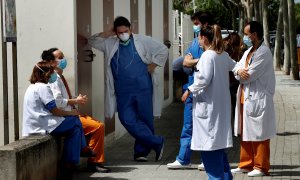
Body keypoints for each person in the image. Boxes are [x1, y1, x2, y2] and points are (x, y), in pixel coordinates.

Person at [85, 16, 167, 162]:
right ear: (115, 32)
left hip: (143, 87)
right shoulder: (110, 43)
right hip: (123, 90)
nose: (123, 34)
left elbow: (162, 49)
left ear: (131, 29)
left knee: (145, 120)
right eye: (120, 32)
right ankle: (156, 142)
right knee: (126, 119)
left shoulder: (143, 40)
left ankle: (141, 152)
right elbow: (91, 41)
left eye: (126, 31)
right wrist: (108, 33)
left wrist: (153, 65)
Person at [41, 48, 110, 173]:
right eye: (59, 57)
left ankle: (88, 156)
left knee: (96, 126)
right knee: (97, 126)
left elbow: (64, 98)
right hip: (64, 117)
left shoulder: (59, 77)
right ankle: (93, 160)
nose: (63, 60)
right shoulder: (54, 79)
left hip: (70, 114)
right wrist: (75, 101)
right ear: (51, 62)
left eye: (63, 56)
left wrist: (75, 98)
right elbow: (58, 102)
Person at [22, 61, 95, 178]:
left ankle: (70, 161)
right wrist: (70, 112)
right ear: (44, 74)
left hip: (37, 124)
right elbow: (55, 110)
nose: (53, 75)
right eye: (51, 73)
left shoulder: (32, 87)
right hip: (44, 125)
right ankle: (80, 151)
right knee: (75, 120)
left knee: (75, 130)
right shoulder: (43, 88)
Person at [181, 24, 236, 180]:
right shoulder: (222, 55)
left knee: (210, 152)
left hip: (209, 113)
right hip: (219, 110)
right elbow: (236, 67)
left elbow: (203, 79)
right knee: (219, 152)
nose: (198, 39)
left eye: (198, 36)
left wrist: (188, 90)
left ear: (203, 38)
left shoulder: (207, 56)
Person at [167, 11, 212, 170]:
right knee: (188, 126)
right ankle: (183, 159)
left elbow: (210, 64)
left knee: (206, 127)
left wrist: (195, 61)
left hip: (206, 93)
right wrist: (199, 61)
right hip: (192, 90)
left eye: (197, 23)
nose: (195, 26)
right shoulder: (195, 41)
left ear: (205, 24)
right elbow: (185, 62)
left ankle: (208, 160)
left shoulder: (213, 42)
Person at [231, 21, 276, 177]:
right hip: (245, 97)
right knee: (245, 132)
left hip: (258, 98)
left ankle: (261, 167)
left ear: (255, 35)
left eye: (246, 34)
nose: (245, 37)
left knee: (260, 133)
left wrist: (240, 73)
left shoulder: (263, 52)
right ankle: (246, 164)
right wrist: (238, 72)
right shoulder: (249, 50)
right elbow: (237, 67)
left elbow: (248, 76)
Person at [223, 32, 243, 117]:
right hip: (234, 83)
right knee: (236, 108)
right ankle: (235, 128)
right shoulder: (236, 53)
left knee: (228, 109)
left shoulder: (224, 52)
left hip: (227, 83)